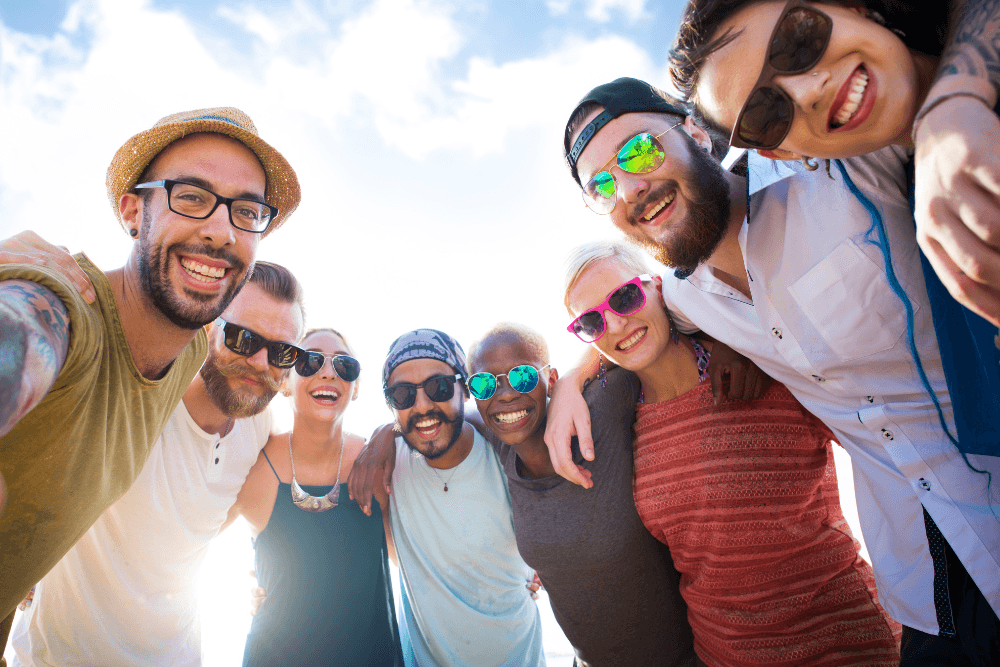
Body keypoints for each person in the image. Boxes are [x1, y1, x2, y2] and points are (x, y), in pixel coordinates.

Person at [550, 77, 999, 663]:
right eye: (603, 185)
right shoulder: (691, 298)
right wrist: (572, 380)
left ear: (694, 131)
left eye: (639, 151)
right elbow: (622, 316)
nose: (630, 188)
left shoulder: (834, 177)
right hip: (923, 591)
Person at [0, 107, 300, 642]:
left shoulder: (189, 352)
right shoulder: (64, 310)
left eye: (247, 212)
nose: (219, 231)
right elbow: (21, 332)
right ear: (134, 211)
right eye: (190, 197)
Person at [670, 0, 1000, 459]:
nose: (807, 92)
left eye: (800, 39)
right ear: (780, 154)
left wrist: (956, 100)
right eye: (766, 116)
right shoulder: (913, 210)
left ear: (850, 6)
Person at [563, 240, 900, 665]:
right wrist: (567, 385)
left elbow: (890, 447)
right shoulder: (616, 422)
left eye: (626, 297)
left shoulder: (757, 357)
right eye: (591, 323)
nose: (613, 326)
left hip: (847, 644)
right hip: (723, 655)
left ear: (657, 287)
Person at [9, 261, 303, 666]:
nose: (260, 362)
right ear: (206, 326)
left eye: (283, 351)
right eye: (242, 338)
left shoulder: (259, 429)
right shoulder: (132, 398)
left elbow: (213, 517)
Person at [465, 322, 699, 667]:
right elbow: (442, 420)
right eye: (484, 383)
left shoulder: (600, 409)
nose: (506, 395)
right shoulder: (502, 442)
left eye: (523, 377)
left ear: (552, 379)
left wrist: (577, 377)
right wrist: (387, 431)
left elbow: (640, 330)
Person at [234, 328, 403, 667]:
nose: (328, 372)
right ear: (284, 381)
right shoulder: (252, 465)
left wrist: (513, 572)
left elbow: (416, 560)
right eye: (309, 361)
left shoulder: (382, 464)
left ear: (355, 389)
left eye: (345, 366)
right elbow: (185, 541)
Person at [379, 328, 544, 667]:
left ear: (464, 389)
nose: (423, 406)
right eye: (403, 395)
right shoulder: (385, 468)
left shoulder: (508, 454)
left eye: (438, 387)